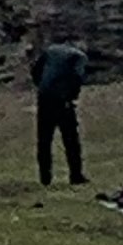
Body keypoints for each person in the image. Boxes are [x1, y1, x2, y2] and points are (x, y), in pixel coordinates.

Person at [34, 34, 89, 188]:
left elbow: (36, 70)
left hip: (44, 98)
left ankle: (45, 177)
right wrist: (72, 97)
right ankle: (75, 175)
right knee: (71, 139)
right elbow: (77, 77)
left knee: (44, 139)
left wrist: (41, 88)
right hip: (62, 100)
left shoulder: (51, 50)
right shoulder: (79, 56)